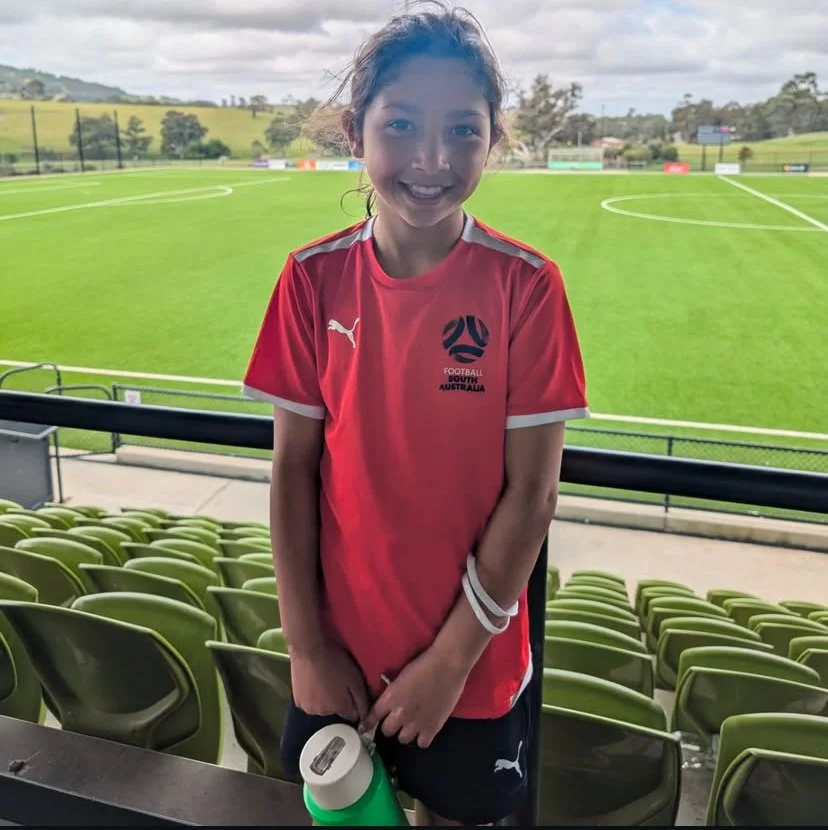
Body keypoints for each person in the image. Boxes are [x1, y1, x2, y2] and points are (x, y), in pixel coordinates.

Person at [242, 1, 589, 824]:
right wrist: (307, 646)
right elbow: (293, 468)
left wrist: (450, 662)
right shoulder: (311, 280)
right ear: (354, 130)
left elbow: (533, 496)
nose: (433, 158)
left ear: (495, 138)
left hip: (470, 675)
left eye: (464, 130)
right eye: (401, 123)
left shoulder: (527, 287)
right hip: (339, 663)